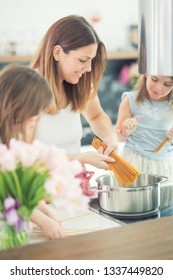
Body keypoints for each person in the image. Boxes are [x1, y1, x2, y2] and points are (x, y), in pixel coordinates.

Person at [30, 15, 118, 172]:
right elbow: (23, 158)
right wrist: (81, 158)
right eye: (83, 60)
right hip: (39, 190)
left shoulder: (79, 85)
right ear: (58, 52)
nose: (89, 68)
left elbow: (96, 115)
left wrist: (110, 136)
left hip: (73, 186)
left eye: (91, 60)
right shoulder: (26, 90)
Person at [0, 63, 63, 239]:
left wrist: (44, 209)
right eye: (34, 116)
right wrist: (42, 221)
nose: (38, 121)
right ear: (17, 107)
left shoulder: (12, 140)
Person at [115, 74, 173, 180]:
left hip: (165, 164)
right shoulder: (130, 100)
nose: (159, 87)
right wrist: (126, 132)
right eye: (154, 79)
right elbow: (117, 138)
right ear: (146, 75)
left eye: (167, 84)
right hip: (133, 162)